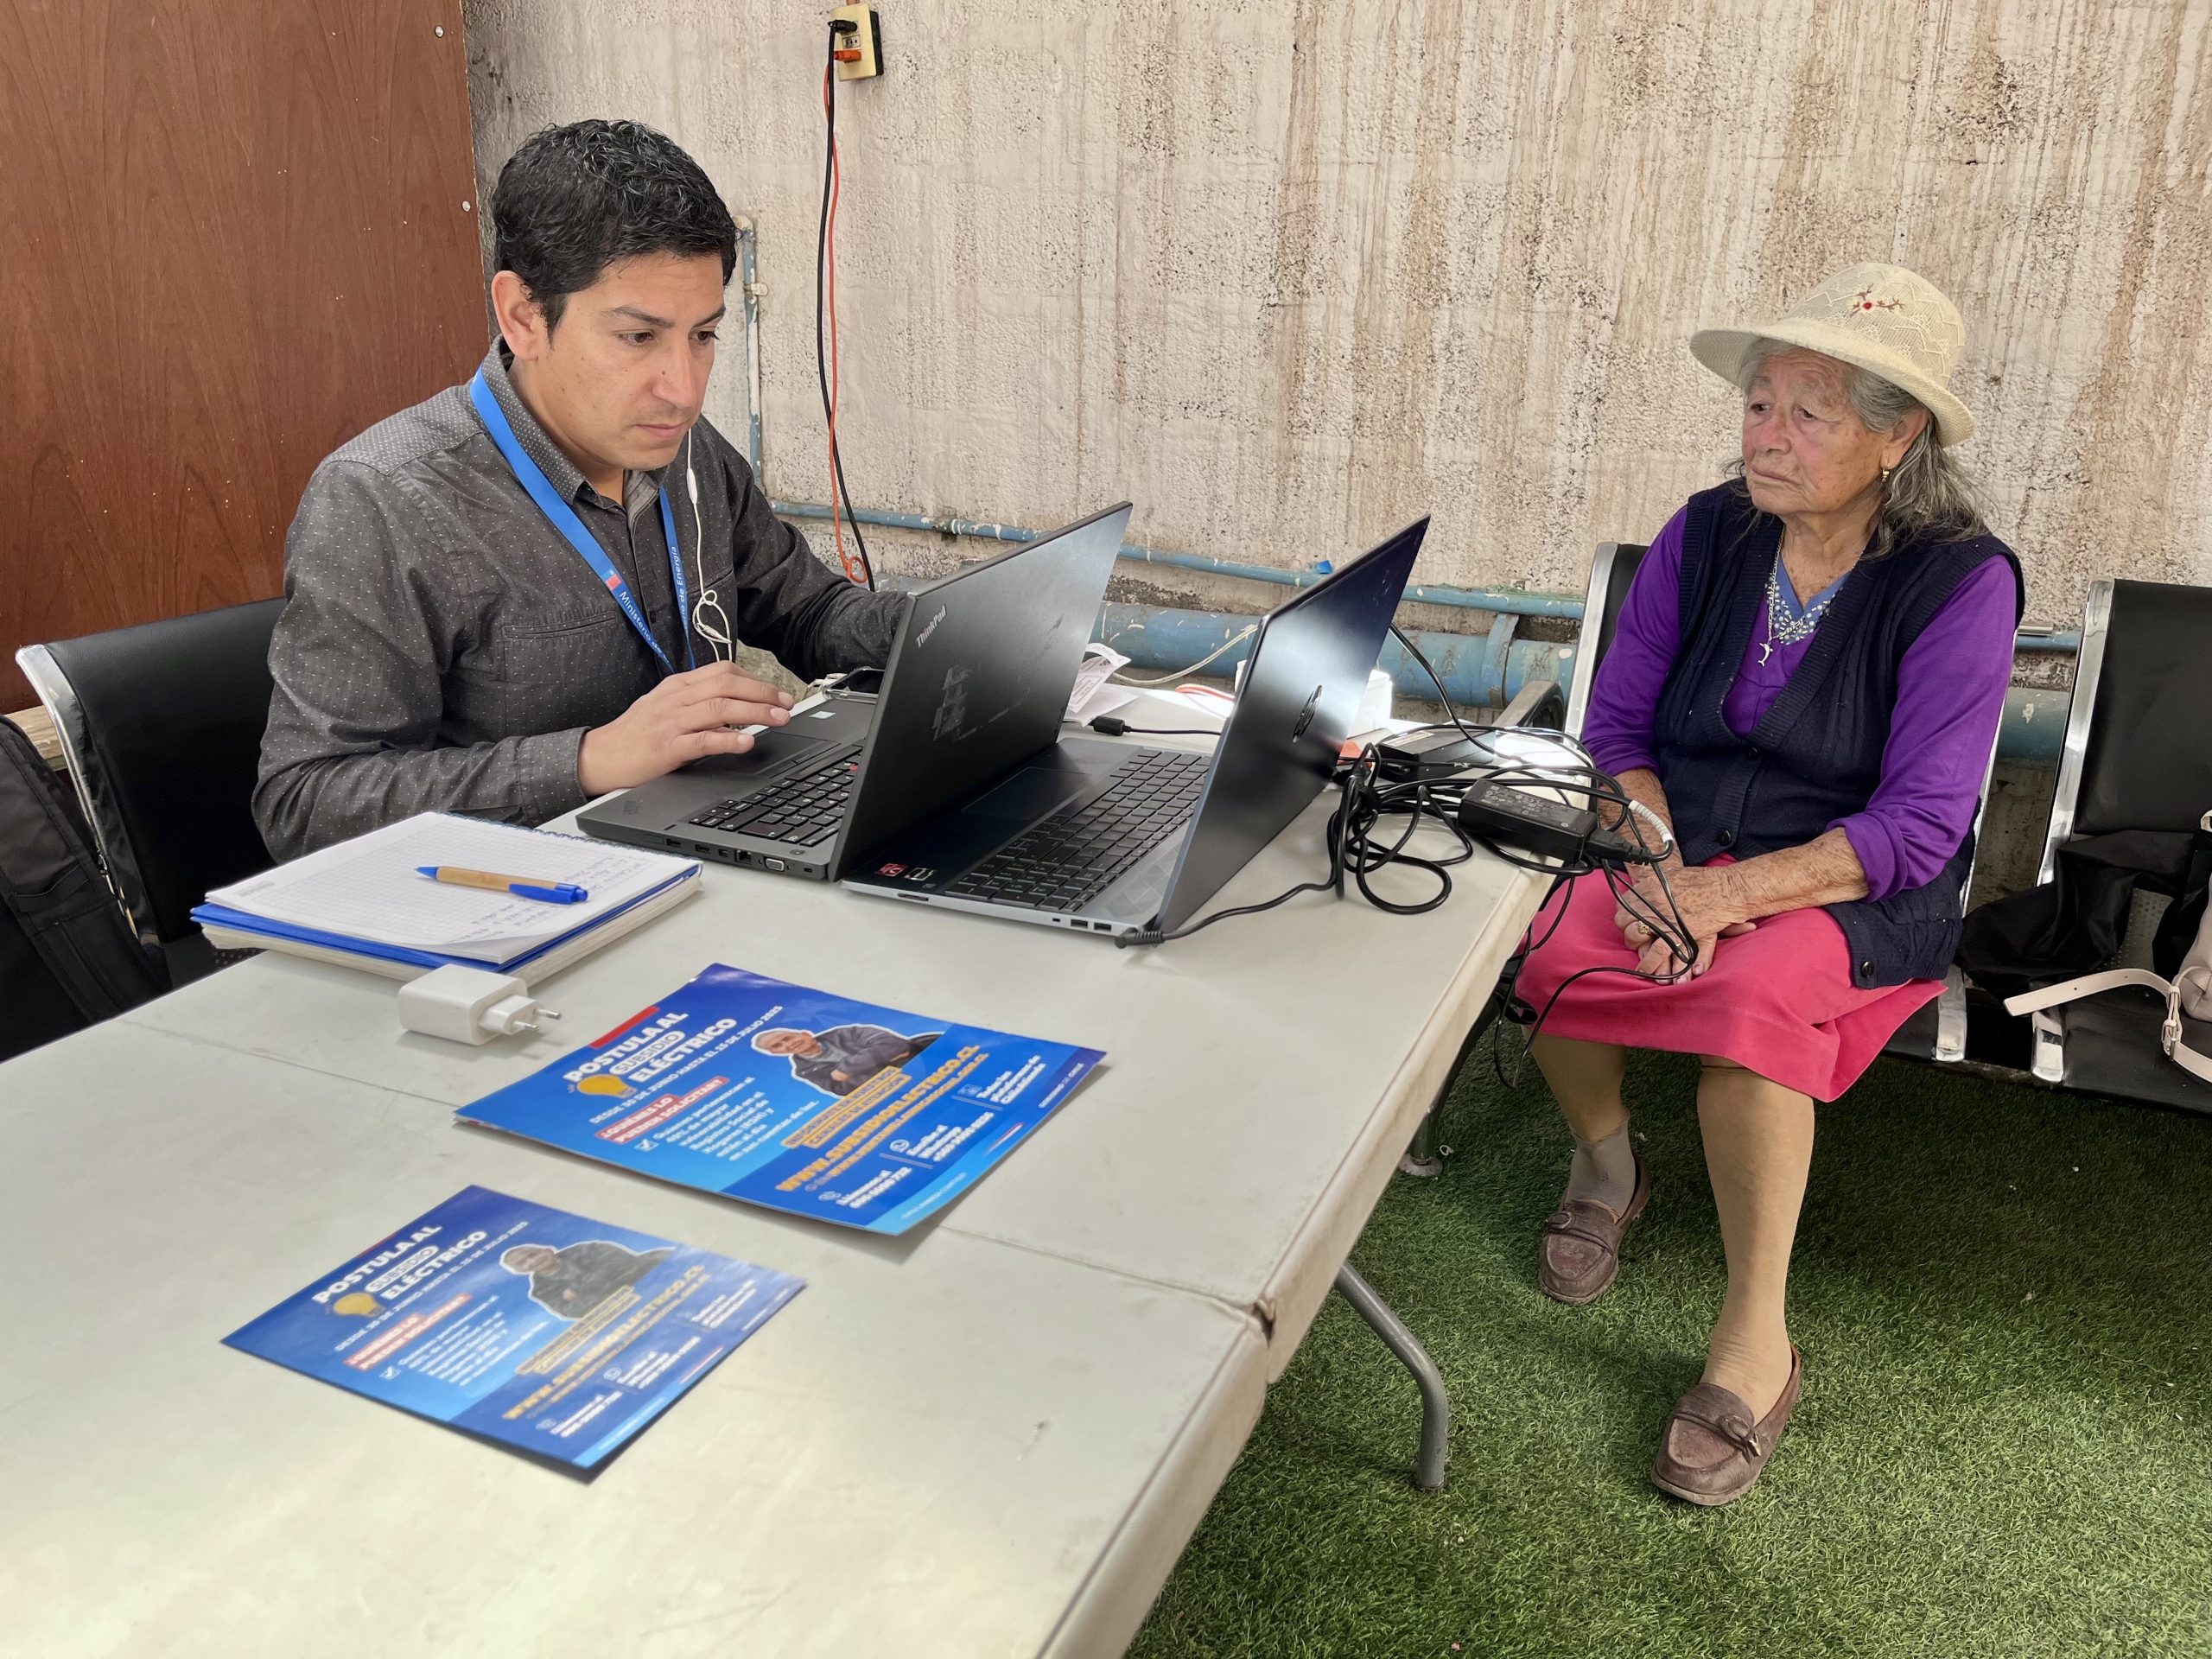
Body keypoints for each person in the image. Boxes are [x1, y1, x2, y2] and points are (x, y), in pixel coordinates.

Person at [1514, 263, 2021, 1505]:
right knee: (1546, 938)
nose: (1766, 438)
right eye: (1757, 406)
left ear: (1897, 437)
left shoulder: (1960, 582)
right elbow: (1617, 730)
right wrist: (1656, 869)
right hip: (1677, 845)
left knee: (1750, 1011)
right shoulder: (1706, 534)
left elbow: (1919, 823)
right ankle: (1607, 1166)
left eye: (1809, 414)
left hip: (1850, 883)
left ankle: (1756, 1338)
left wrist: (1725, 901)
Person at [255, 120, 905, 860]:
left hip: (692, 850)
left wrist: (949, 631)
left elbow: (809, 611)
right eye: (638, 337)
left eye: (703, 336)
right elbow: (305, 803)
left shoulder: (684, 449)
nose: (683, 390)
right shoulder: (383, 500)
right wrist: (589, 760)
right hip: (516, 893)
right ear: (523, 317)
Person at [499, 1238, 673, 1319]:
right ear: (520, 1271)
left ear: (548, 1250)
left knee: (662, 1256)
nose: (532, 1261)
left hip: (649, 1277)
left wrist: (578, 1290)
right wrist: (606, 1282)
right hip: (627, 1306)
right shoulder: (541, 1291)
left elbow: (622, 1262)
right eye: (522, 1263)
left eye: (532, 1254)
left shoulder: (586, 1249)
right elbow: (574, 1312)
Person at [753, 1023, 942, 1096]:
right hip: (906, 1090)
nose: (788, 1045)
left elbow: (893, 1044)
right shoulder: (805, 1071)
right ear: (775, 1054)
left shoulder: (845, 1033)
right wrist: (887, 1060)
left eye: (788, 1038)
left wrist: (847, 1069)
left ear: (805, 1033)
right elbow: (847, 1091)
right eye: (777, 1046)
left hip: (934, 1063)